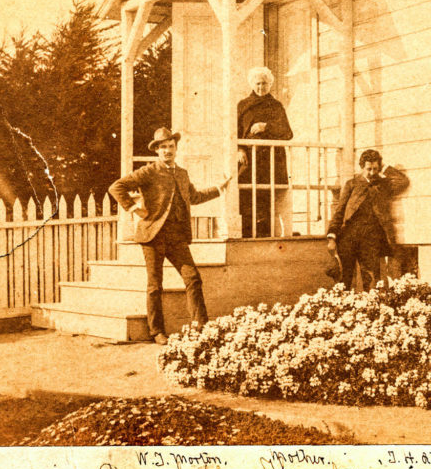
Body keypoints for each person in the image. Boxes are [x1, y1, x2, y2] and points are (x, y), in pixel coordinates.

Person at [108, 127, 232, 345]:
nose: (167, 151)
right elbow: (116, 187)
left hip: (176, 237)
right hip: (152, 237)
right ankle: (157, 332)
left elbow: (193, 196)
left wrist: (218, 189)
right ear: (157, 150)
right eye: (162, 147)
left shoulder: (182, 174)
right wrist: (133, 208)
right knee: (155, 285)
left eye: (170, 146)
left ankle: (201, 327)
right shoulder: (149, 172)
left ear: (176, 148)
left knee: (193, 278)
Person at [326, 149, 409, 291]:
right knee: (345, 278)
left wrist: (384, 168)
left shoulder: (383, 184)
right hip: (349, 236)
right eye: (368, 169)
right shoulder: (351, 184)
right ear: (361, 167)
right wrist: (332, 237)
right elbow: (340, 211)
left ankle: (369, 308)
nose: (371, 173)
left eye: (375, 169)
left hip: (371, 238)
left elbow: (403, 181)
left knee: (371, 279)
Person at [236, 66, 294, 238]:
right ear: (252, 84)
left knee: (266, 196)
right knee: (245, 192)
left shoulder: (276, 106)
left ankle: (265, 235)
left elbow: (287, 133)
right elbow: (236, 132)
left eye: (265, 83)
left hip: (271, 159)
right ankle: (246, 234)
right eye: (258, 83)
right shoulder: (243, 105)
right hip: (248, 157)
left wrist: (265, 126)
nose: (261, 87)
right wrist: (239, 149)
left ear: (270, 85)